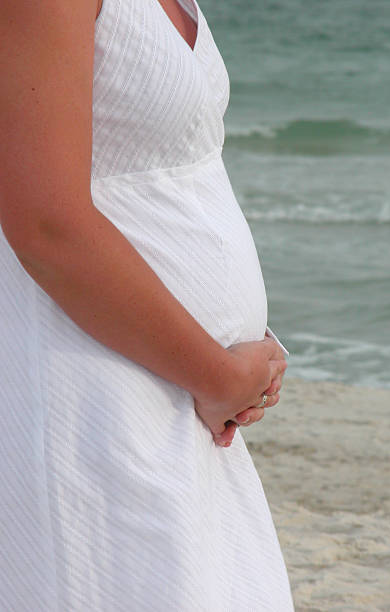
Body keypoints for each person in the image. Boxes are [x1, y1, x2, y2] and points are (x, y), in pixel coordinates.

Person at [0, 0, 294, 610]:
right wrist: (216, 374)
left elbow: (168, 173)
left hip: (175, 388)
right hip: (92, 390)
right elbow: (45, 226)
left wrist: (233, 351)